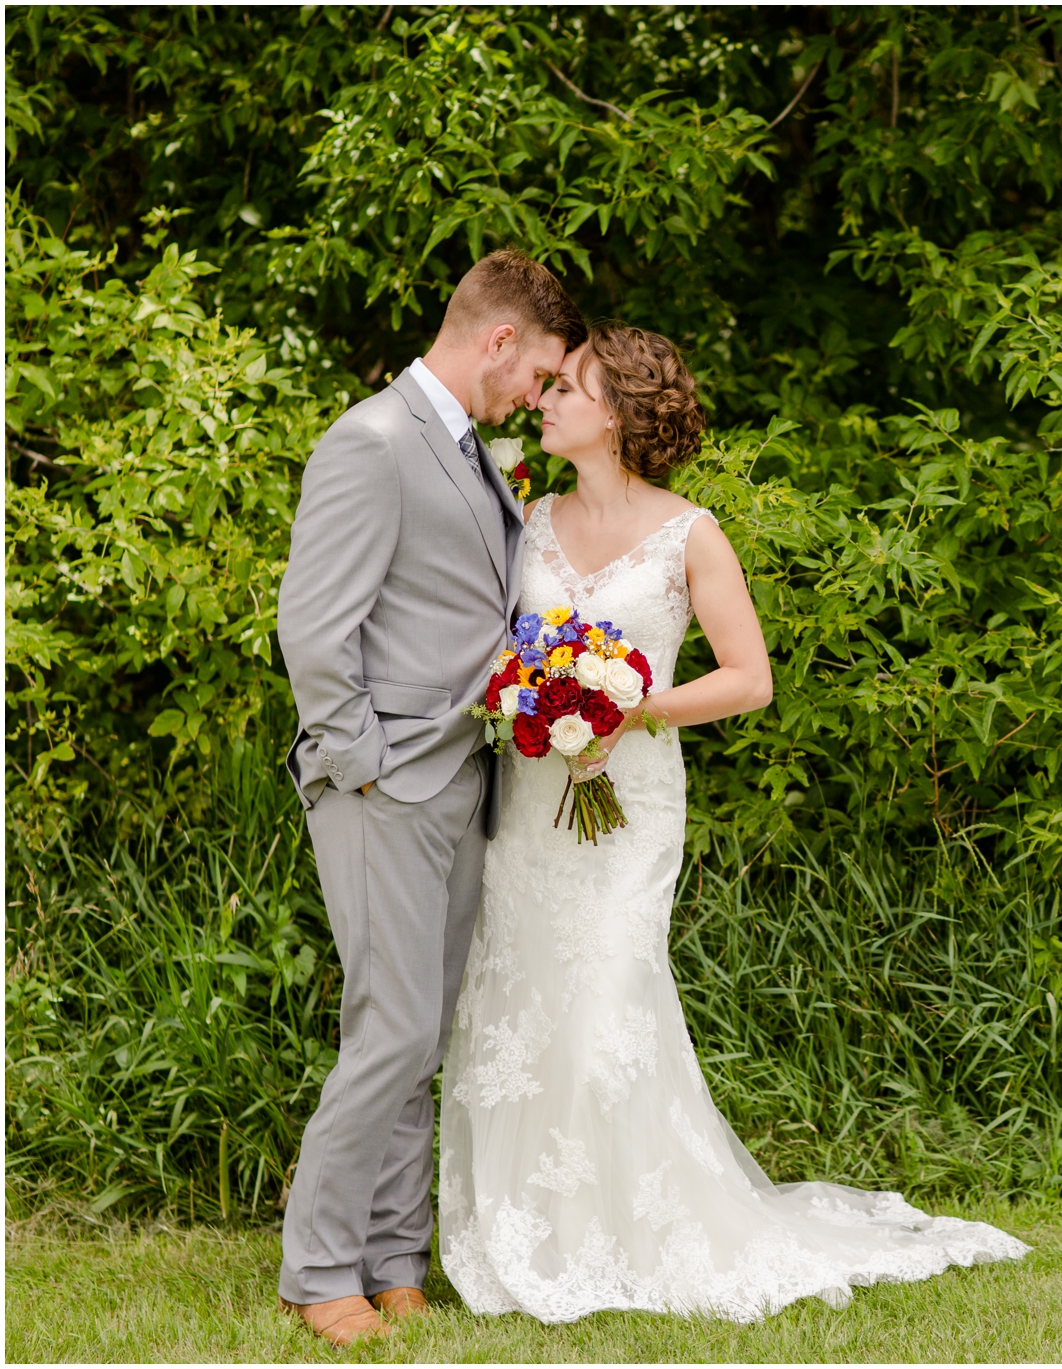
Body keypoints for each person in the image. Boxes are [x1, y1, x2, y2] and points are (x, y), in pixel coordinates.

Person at [436, 323, 1028, 1324]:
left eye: (568, 387)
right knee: (523, 1002)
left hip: (633, 808)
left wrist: (632, 705)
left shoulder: (689, 533)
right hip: (533, 801)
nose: (545, 400)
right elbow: (494, 650)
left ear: (617, 413)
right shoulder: (525, 521)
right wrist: (527, 695)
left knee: (607, 1006)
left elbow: (748, 679)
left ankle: (636, 1229)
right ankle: (534, 1228)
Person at [274, 250, 586, 1347]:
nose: (540, 397)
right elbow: (314, 628)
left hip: (467, 777)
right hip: (388, 780)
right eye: (541, 374)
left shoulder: (465, 448)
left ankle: (395, 1259)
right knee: (390, 1026)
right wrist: (366, 761)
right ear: (498, 340)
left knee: (425, 1028)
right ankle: (317, 1267)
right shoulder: (371, 441)